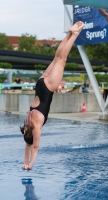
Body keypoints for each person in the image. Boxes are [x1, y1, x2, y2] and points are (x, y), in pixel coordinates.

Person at [20, 21, 85, 170]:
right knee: (57, 57)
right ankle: (69, 33)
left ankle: (74, 35)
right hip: (40, 84)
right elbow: (28, 145)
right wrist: (25, 162)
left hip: (49, 86)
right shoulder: (27, 123)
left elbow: (34, 147)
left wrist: (30, 165)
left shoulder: (36, 127)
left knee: (62, 60)